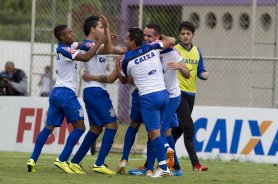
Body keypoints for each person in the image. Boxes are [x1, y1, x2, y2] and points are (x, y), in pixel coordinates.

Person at [26, 24, 106, 173]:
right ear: (62, 37)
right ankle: (62, 160)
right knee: (80, 127)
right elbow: (87, 56)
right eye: (69, 33)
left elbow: (83, 44)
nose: (72, 34)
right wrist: (100, 42)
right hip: (66, 94)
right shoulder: (65, 50)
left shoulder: (68, 45)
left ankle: (32, 159)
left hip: (56, 93)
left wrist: (101, 40)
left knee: (48, 128)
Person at [68, 15, 123, 175]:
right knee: (112, 126)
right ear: (93, 30)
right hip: (96, 91)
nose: (102, 30)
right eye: (99, 27)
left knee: (96, 129)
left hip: (93, 91)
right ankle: (99, 163)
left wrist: (107, 36)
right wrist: (107, 31)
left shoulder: (92, 45)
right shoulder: (88, 44)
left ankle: (75, 161)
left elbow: (110, 48)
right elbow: (109, 49)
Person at [118, 27, 175, 177]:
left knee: (153, 133)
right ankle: (155, 166)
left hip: (148, 97)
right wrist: (159, 36)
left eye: (126, 38)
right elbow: (172, 41)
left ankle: (163, 165)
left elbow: (124, 80)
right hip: (164, 94)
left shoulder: (126, 59)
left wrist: (119, 67)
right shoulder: (153, 46)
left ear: (132, 41)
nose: (125, 41)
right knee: (157, 131)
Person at [172, 21, 209, 172]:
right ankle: (196, 165)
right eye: (182, 33)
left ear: (193, 35)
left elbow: (200, 70)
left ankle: (168, 161)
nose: (185, 36)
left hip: (191, 95)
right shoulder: (174, 50)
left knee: (176, 133)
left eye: (188, 33)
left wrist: (203, 74)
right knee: (189, 127)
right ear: (179, 35)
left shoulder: (197, 51)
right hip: (177, 93)